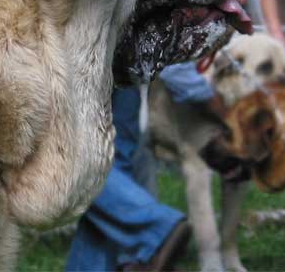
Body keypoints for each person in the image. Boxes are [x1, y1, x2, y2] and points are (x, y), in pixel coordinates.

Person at [66, 61, 218, 272]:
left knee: (72, 158)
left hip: (81, 48)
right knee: (113, 163)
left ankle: (157, 228)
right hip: (128, 54)